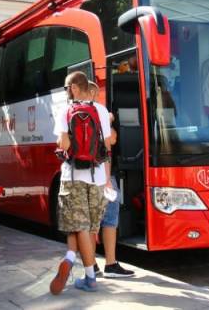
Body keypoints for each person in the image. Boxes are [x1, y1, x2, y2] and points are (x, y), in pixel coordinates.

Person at [50, 72, 111, 294]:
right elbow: (108, 144)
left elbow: (64, 143)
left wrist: (60, 142)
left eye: (67, 87)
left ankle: (89, 276)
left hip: (73, 176)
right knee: (89, 229)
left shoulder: (65, 111)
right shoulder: (101, 110)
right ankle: (72, 259)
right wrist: (107, 180)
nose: (66, 92)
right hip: (97, 178)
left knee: (78, 226)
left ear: (75, 88)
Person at [86, 81, 134, 279]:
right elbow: (111, 140)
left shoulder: (73, 113)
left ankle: (92, 265)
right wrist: (109, 121)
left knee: (90, 223)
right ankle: (111, 263)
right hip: (103, 176)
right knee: (109, 220)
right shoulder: (99, 112)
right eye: (96, 93)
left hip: (84, 176)